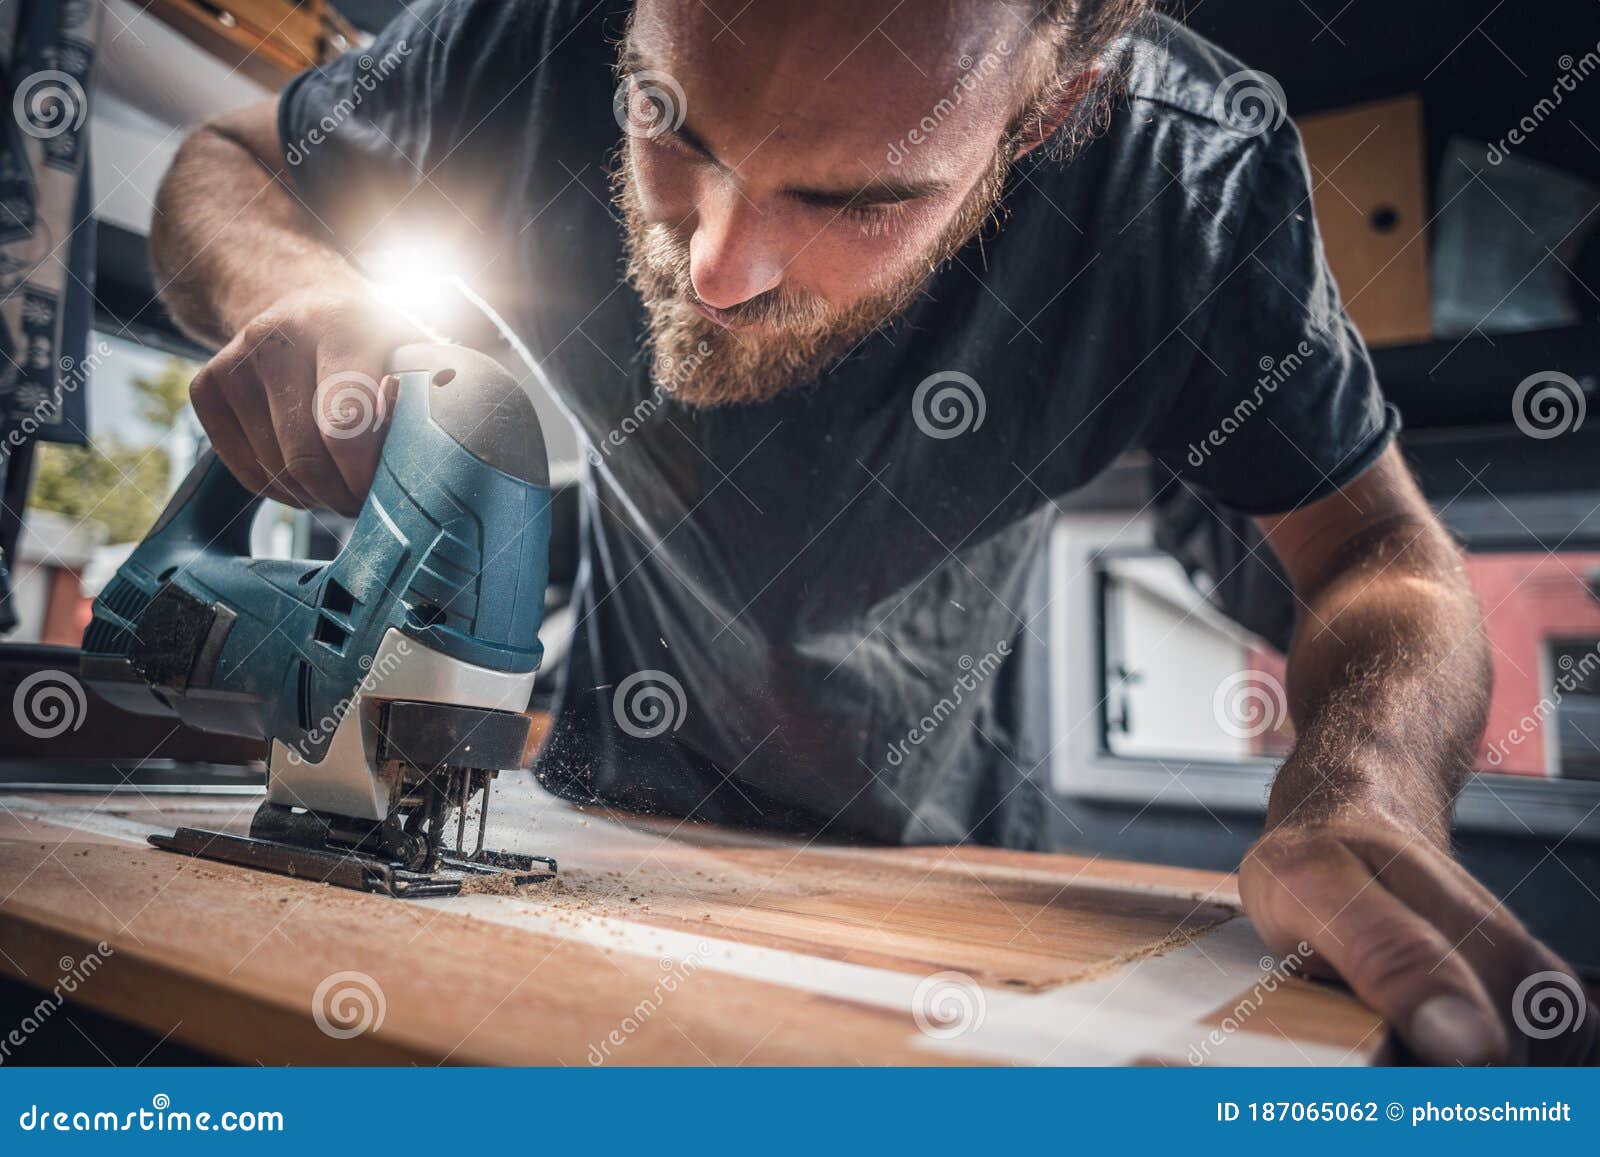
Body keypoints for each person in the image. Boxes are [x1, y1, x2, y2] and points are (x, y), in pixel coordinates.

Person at [148, 0, 1596, 1064]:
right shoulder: (525, 32)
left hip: (954, 861)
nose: (716, 264)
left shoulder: (1186, 181)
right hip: (584, 809)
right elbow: (222, 159)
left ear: (1050, 114)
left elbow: (1382, 559)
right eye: (668, 119)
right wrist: (295, 290)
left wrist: (1363, 788)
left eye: (853, 197)